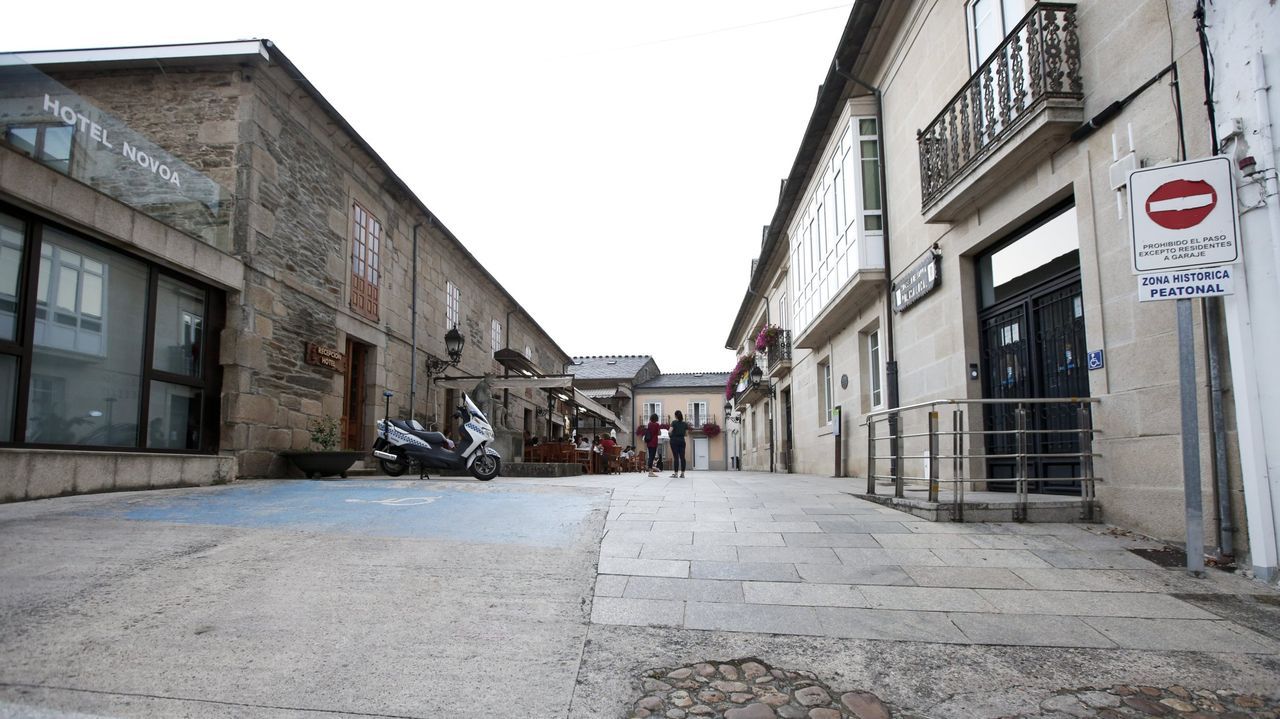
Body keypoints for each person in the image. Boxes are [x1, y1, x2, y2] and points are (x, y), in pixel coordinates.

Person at [669, 409, 689, 478]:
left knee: (676, 457)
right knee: (682, 457)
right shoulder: (685, 424)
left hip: (674, 441)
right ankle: (683, 474)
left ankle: (676, 474)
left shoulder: (674, 422)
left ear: (675, 416)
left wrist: (671, 435)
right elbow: (686, 434)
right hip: (682, 441)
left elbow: (669, 431)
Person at [644, 413, 661, 477]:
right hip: (654, 442)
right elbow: (659, 433)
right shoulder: (657, 424)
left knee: (650, 456)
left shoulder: (649, 424)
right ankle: (650, 472)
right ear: (656, 418)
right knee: (652, 456)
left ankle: (650, 471)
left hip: (649, 442)